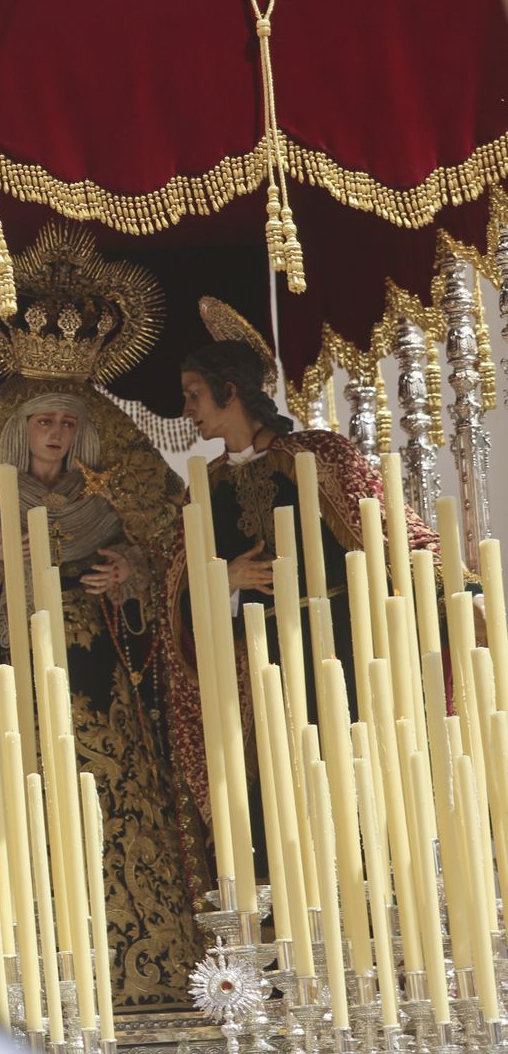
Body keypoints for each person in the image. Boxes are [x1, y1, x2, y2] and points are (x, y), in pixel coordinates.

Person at [0, 381, 204, 1008]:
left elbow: (161, 556)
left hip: (94, 665)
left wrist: (128, 568)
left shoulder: (97, 498)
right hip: (14, 657)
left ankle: (141, 957)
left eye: (67, 425)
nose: (55, 434)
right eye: (43, 422)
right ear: (20, 431)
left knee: (112, 786)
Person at [161, 298, 439, 856]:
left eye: (194, 394)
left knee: (352, 787)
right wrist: (226, 577)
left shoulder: (318, 454)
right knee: (275, 801)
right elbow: (176, 597)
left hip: (340, 651)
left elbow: (390, 529)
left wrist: (461, 587)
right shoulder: (203, 488)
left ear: (230, 391)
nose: (186, 408)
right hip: (260, 668)